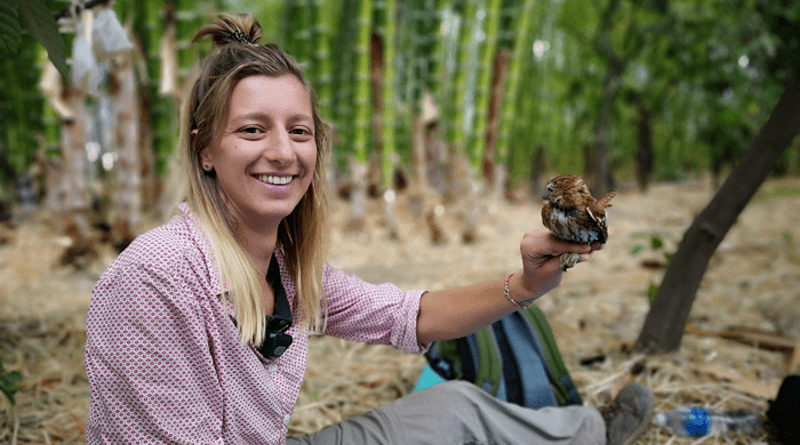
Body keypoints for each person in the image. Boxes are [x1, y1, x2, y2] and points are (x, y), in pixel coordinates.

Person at [84, 13, 654, 445]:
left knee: (452, 406)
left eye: (299, 131)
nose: (282, 153)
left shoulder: (285, 269)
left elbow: (406, 314)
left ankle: (589, 432)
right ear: (205, 150)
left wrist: (525, 286)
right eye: (253, 131)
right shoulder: (155, 280)